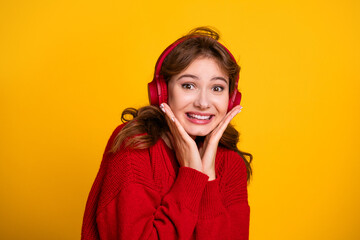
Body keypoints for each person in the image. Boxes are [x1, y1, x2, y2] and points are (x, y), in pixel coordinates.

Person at [81, 27, 253, 240]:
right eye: (188, 85)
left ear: (231, 98)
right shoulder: (137, 145)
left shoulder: (230, 164)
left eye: (217, 88)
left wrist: (208, 176)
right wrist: (191, 176)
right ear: (162, 91)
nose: (203, 103)